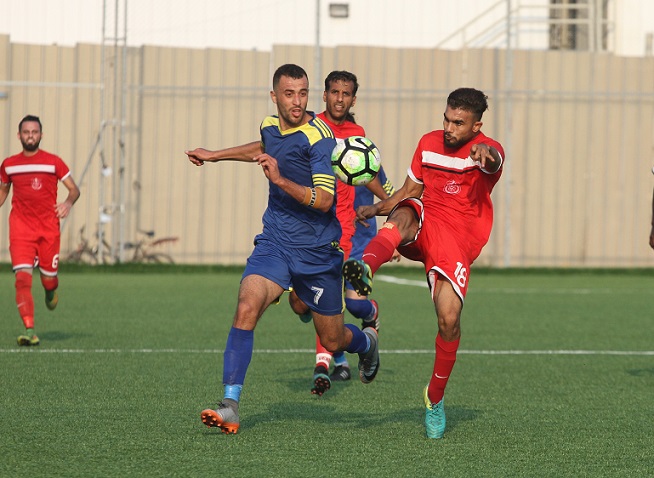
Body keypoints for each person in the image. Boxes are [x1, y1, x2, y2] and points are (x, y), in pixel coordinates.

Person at [185, 64, 380, 435]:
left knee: (335, 338)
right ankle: (230, 404)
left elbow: (323, 200)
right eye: (289, 94)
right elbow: (264, 147)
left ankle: (366, 341)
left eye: (303, 93)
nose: (297, 101)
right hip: (274, 242)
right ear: (273, 96)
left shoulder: (319, 139)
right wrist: (215, 155)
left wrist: (279, 179)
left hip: (319, 252)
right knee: (246, 307)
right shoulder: (269, 125)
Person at [342, 88, 504, 439]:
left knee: (449, 321)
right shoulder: (428, 143)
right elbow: (407, 192)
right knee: (404, 212)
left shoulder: (486, 149)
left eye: (458, 123)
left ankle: (434, 398)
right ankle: (366, 267)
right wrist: (375, 208)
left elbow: (494, 159)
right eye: (446, 118)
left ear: (477, 125)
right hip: (423, 219)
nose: (449, 127)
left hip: (457, 240)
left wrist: (485, 153)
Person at [287, 70, 395, 396]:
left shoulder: (357, 134)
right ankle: (352, 338)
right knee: (299, 305)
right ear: (325, 95)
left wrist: (392, 209)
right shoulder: (310, 128)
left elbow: (367, 173)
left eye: (346, 94)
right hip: (308, 229)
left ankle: (328, 362)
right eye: (334, 92)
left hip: (342, 232)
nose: (339, 99)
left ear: (353, 99)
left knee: (334, 303)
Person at [0, 115, 81, 346]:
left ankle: (49, 290)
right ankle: (29, 329)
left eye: (34, 132)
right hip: (20, 230)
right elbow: (3, 191)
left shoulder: (54, 162)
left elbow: (74, 190)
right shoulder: (9, 164)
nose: (30, 136)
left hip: (48, 230)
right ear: (19, 136)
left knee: (48, 281)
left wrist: (67, 203)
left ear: (41, 135)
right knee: (22, 279)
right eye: (26, 132)